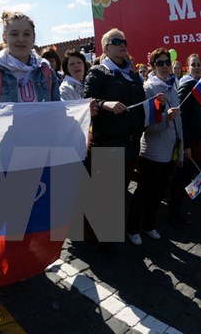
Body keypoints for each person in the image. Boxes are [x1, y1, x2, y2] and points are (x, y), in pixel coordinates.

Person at [83, 28, 146, 250]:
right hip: (108, 141)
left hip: (131, 142)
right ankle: (99, 240)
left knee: (119, 192)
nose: (123, 44)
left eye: (124, 41)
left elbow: (141, 106)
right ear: (106, 47)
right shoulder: (98, 72)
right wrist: (103, 104)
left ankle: (110, 233)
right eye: (116, 41)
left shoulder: (133, 74)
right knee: (104, 195)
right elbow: (85, 101)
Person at [126, 48, 183, 245]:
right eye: (160, 63)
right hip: (152, 151)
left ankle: (148, 224)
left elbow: (179, 123)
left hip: (170, 150)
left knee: (158, 192)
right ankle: (132, 227)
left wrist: (181, 147)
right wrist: (167, 117)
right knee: (144, 192)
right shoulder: (149, 89)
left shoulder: (172, 87)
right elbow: (149, 126)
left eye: (167, 62)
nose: (165, 66)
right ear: (152, 66)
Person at [0, 11, 59, 103]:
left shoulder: (47, 73)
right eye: (14, 34)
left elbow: (58, 113)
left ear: (34, 38)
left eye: (26, 34)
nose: (21, 39)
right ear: (5, 38)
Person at [171, 54, 201, 228]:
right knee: (181, 179)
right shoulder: (187, 85)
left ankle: (183, 209)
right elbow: (181, 117)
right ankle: (174, 213)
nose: (196, 67)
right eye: (193, 65)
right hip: (189, 143)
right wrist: (186, 144)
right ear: (187, 68)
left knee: (190, 178)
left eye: (198, 65)